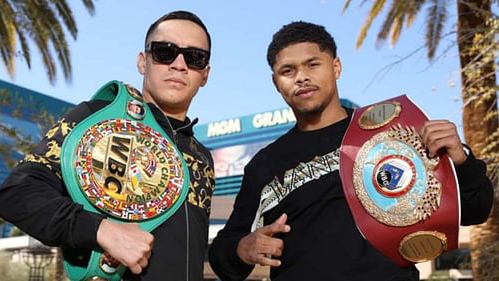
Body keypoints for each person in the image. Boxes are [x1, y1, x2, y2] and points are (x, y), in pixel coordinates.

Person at [208, 21, 494, 281]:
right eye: (288, 71)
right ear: (276, 83)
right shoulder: (265, 164)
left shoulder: (391, 132)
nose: (301, 78)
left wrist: (460, 160)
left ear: (336, 67)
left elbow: (474, 210)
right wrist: (242, 248)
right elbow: (224, 256)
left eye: (313, 65)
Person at [0, 10, 215, 281]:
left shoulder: (203, 158)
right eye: (164, 52)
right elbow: (17, 192)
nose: (179, 64)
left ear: (204, 74)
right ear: (142, 61)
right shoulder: (96, 117)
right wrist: (100, 230)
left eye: (194, 57)